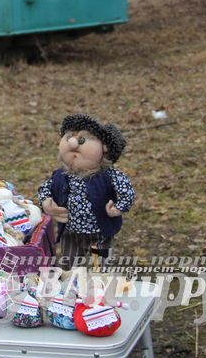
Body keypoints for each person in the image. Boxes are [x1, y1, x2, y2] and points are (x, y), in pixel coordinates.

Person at [37, 113, 136, 270]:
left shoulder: (108, 175)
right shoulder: (61, 174)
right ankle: (71, 281)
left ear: (104, 148)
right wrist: (46, 202)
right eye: (69, 136)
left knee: (100, 264)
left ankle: (100, 279)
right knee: (69, 264)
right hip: (70, 231)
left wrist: (119, 207)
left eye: (82, 140)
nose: (72, 143)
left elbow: (127, 191)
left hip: (99, 231)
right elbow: (45, 188)